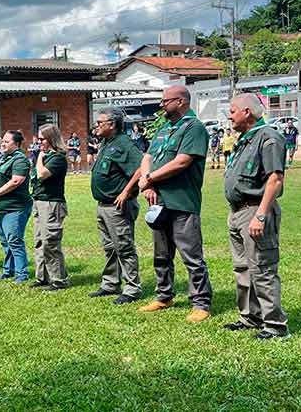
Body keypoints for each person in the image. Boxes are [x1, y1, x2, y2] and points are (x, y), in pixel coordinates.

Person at [137, 85, 213, 322]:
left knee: (191, 255)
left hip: (182, 201)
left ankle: (201, 303)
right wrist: (147, 183)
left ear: (181, 101)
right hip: (159, 202)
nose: (162, 105)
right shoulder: (163, 129)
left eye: (165, 101)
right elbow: (148, 157)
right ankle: (164, 295)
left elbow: (183, 161)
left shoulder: (194, 128)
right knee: (161, 254)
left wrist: (149, 178)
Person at [223, 93, 289, 340]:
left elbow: (275, 179)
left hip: (256, 209)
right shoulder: (245, 139)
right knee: (243, 267)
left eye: (232, 111)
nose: (229, 116)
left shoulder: (268, 138)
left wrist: (260, 215)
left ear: (247, 112)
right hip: (238, 211)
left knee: (262, 267)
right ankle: (251, 317)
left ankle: (275, 325)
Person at [89, 108, 143, 304]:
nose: (97, 126)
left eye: (100, 123)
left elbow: (141, 167)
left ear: (112, 125)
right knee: (110, 247)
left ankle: (132, 288)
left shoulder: (124, 144)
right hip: (103, 205)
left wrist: (126, 191)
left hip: (117, 206)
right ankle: (111, 283)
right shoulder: (106, 143)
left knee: (124, 247)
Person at [0, 130, 32, 283]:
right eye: (2, 141)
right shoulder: (3, 159)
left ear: (17, 144)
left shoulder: (20, 160)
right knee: (5, 242)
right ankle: (8, 270)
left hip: (15, 208)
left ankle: (22, 273)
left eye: (7, 141)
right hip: (0, 208)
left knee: (14, 241)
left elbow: (16, 181)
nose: (3, 143)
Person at [30, 124, 70, 291]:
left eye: (42, 139)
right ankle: (43, 277)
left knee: (50, 242)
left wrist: (39, 157)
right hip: (39, 201)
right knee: (39, 241)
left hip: (52, 204)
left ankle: (59, 279)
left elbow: (41, 174)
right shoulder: (47, 156)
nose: (39, 143)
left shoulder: (58, 158)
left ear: (51, 139)